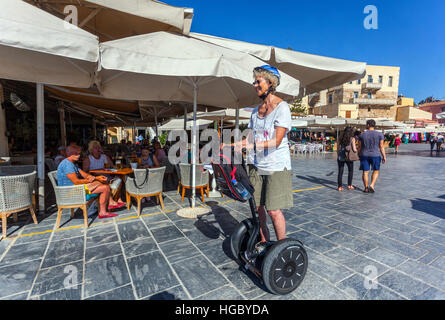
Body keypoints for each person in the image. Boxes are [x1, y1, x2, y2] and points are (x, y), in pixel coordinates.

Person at [222, 65, 293, 245]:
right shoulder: (255, 111)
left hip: (276, 165)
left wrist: (250, 145)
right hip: (256, 164)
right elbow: (249, 140)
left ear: (271, 82)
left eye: (258, 81)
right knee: (258, 208)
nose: (254, 85)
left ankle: (281, 246)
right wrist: (231, 145)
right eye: (254, 81)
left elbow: (276, 141)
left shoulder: (282, 107)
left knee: (273, 210)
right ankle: (263, 241)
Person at [57, 146, 118, 219]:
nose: (78, 155)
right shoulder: (67, 165)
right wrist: (94, 180)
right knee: (102, 183)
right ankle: (108, 203)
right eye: (75, 153)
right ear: (68, 153)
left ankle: (102, 212)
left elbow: (85, 175)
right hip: (70, 193)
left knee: (105, 187)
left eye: (79, 153)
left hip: (76, 190)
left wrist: (95, 178)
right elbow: (76, 182)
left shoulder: (72, 163)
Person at [83, 140, 125, 210]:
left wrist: (119, 167)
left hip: (108, 176)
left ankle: (117, 198)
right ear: (91, 150)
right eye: (95, 148)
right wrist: (93, 175)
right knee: (103, 180)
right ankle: (112, 201)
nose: (98, 149)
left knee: (120, 178)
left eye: (99, 147)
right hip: (97, 178)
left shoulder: (104, 157)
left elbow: (112, 166)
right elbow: (85, 173)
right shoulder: (88, 159)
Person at [358, 119, 387, 193]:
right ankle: (372, 185)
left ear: (368, 125)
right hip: (375, 155)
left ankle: (366, 188)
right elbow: (381, 146)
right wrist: (384, 156)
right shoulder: (380, 134)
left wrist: (359, 154)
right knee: (376, 170)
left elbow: (359, 147)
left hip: (364, 155)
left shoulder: (362, 134)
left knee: (365, 172)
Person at [337, 126, 358, 191]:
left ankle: (339, 187)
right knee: (350, 171)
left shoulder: (340, 138)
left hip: (341, 156)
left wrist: (339, 154)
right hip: (349, 157)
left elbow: (338, 148)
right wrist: (356, 150)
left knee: (340, 172)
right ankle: (349, 185)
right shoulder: (352, 139)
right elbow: (354, 149)